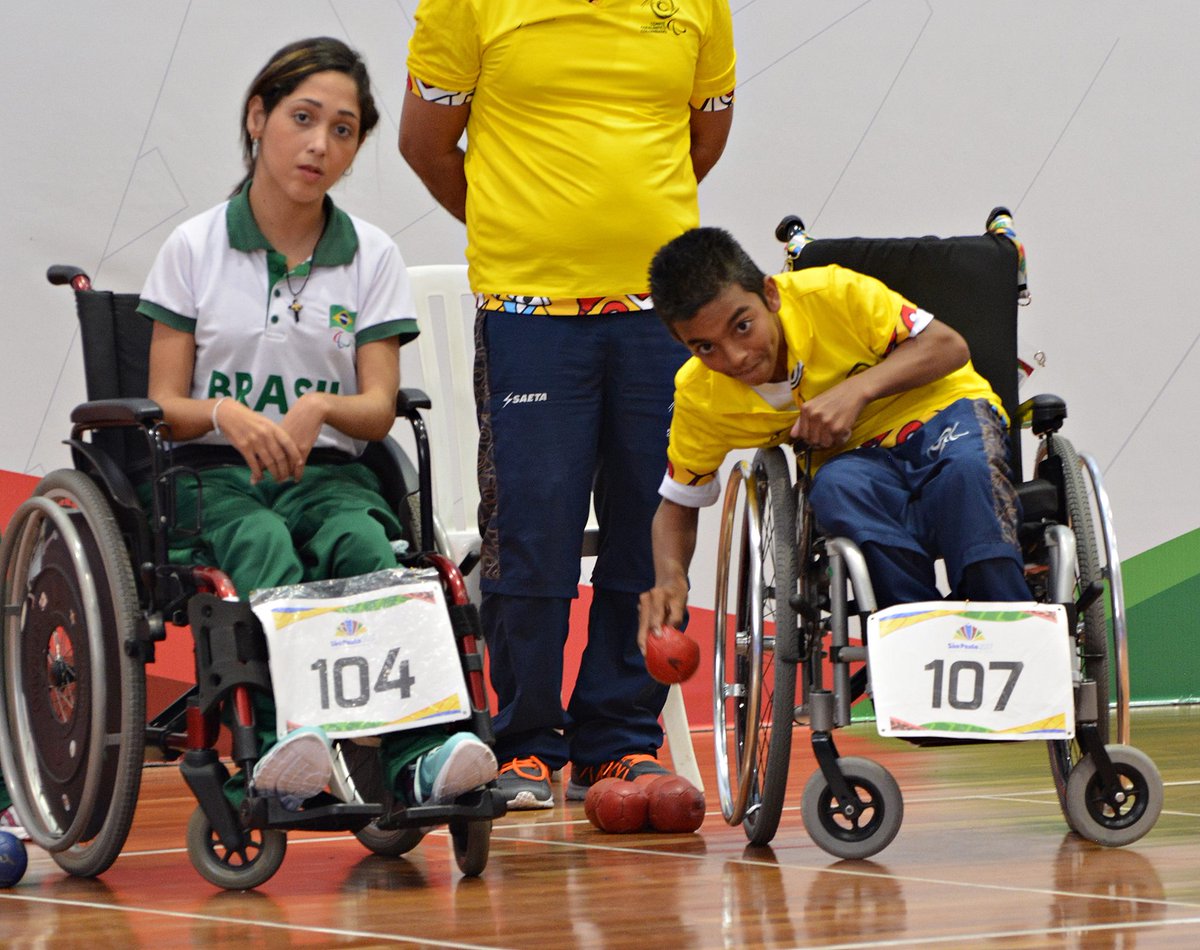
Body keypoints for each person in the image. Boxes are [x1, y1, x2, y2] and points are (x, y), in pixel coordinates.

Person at [138, 36, 496, 810]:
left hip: (329, 476)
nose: (319, 145)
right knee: (262, 544)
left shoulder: (371, 255)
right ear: (257, 118)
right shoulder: (194, 247)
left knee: (366, 547)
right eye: (302, 118)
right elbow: (164, 404)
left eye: (343, 130)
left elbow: (377, 408)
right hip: (214, 479)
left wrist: (320, 407)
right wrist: (227, 414)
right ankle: (280, 750)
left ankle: (417, 757)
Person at [400, 1, 737, 808]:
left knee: (651, 521)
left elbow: (701, 140)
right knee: (533, 524)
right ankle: (524, 740)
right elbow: (426, 145)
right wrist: (520, 225)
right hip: (530, 312)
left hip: (660, 313)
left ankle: (618, 738)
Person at [638, 227, 1030, 641]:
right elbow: (678, 502)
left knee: (965, 474)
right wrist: (671, 578)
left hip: (944, 413)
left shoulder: (832, 293)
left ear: (770, 294)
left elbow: (948, 345)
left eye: (743, 326)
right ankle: (912, 639)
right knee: (835, 488)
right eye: (705, 347)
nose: (735, 357)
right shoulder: (701, 396)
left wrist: (857, 390)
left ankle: (1011, 628)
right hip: (855, 460)